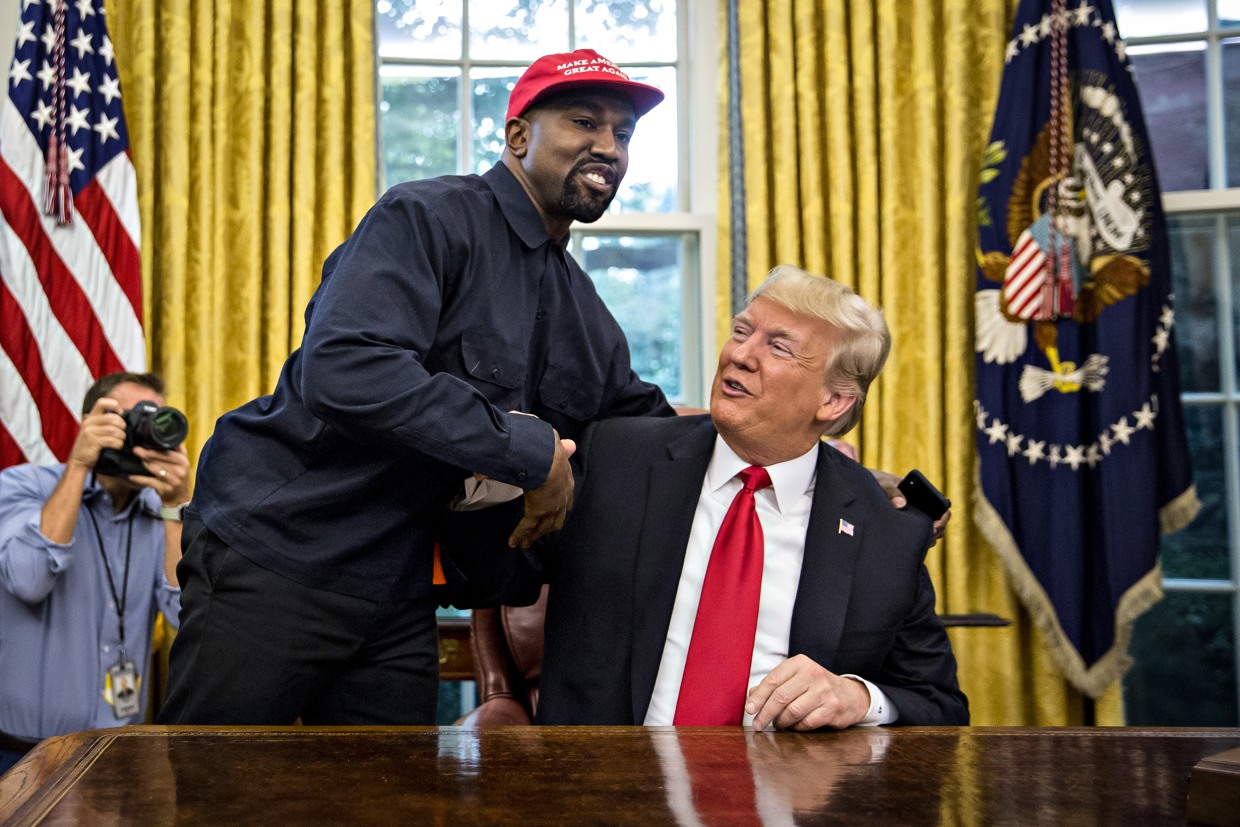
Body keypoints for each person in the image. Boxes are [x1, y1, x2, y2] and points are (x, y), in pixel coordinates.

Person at [156, 49, 677, 727]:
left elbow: (639, 425)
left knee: (388, 800)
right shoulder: (427, 217)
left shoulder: (581, 307)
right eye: (585, 122)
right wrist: (532, 451)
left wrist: (766, 438)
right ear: (519, 135)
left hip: (401, 592)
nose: (608, 146)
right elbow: (347, 365)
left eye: (624, 133)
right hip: (281, 558)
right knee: (214, 795)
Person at [441, 265, 969, 729]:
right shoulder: (616, 458)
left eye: (777, 346)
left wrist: (857, 696)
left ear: (834, 400)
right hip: (608, 796)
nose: (740, 354)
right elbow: (490, 572)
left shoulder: (888, 531)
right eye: (742, 331)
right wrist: (484, 466)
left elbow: (938, 704)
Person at [0, 372, 190, 773]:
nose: (139, 435)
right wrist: (80, 465)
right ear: (90, 423)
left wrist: (176, 504)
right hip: (24, 755)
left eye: (150, 422)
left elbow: (185, 616)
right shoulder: (22, 486)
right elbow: (29, 580)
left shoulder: (160, 514)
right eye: (127, 420)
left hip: (119, 753)